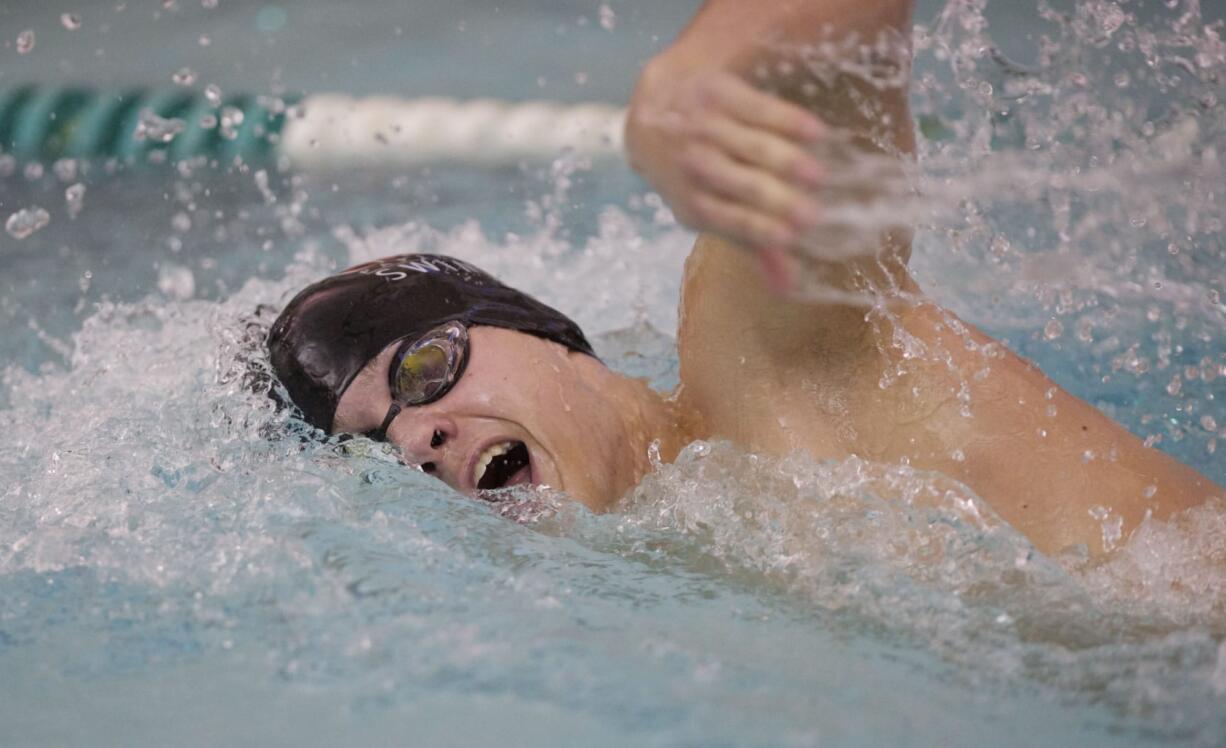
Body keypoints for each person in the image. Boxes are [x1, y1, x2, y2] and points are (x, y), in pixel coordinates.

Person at [267, 0, 1222, 558]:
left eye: (425, 368)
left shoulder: (763, 353)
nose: (421, 441)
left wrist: (687, 83)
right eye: (379, 445)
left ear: (541, 332)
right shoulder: (676, 550)